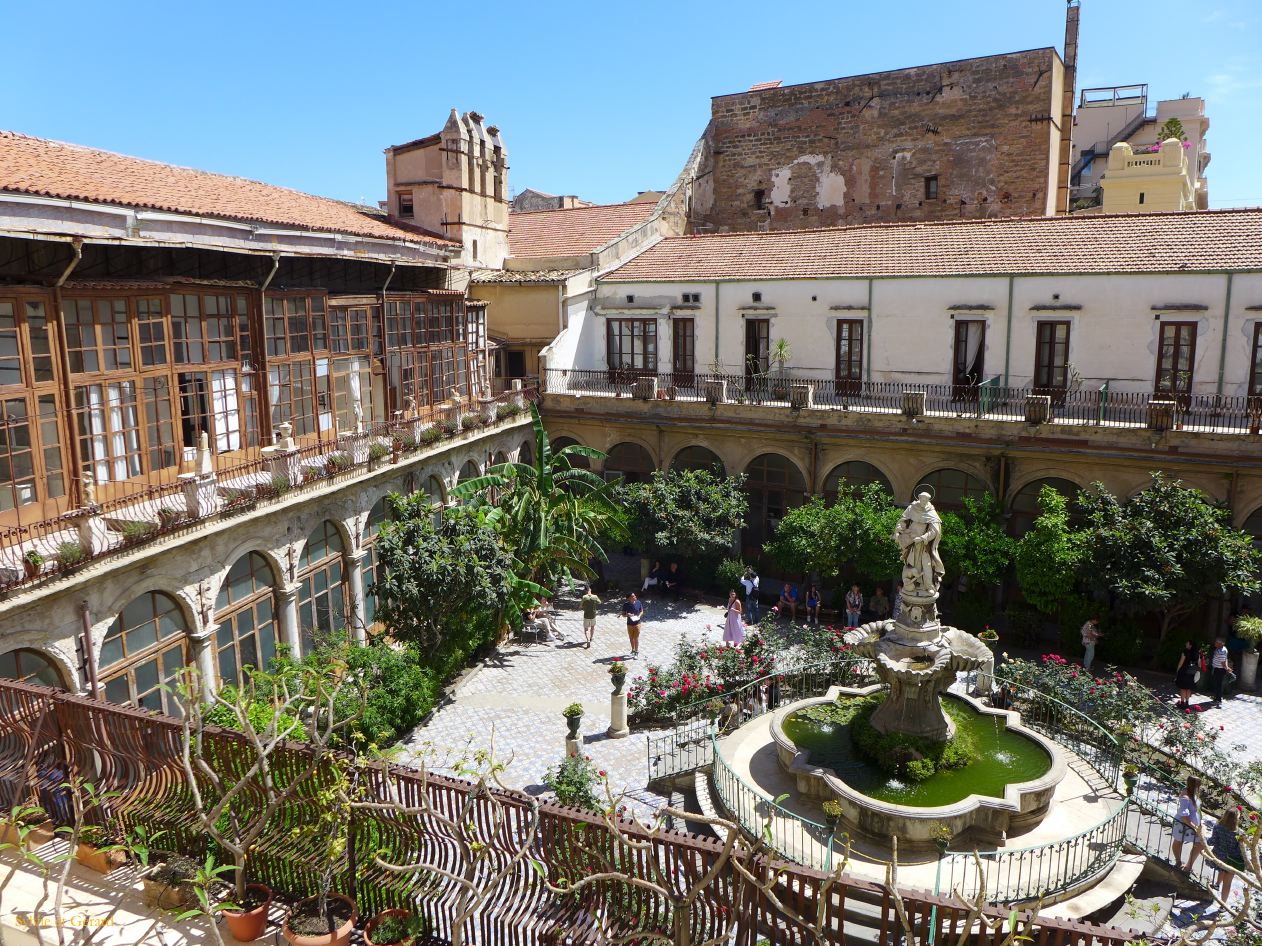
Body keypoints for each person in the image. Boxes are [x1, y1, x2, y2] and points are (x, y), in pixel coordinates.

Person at [1210, 807, 1245, 903]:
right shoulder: (1240, 833)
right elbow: (1240, 851)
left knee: (1221, 869)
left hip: (1220, 857)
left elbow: (1212, 841)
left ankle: (1217, 884)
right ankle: (1223, 905)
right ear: (1236, 819)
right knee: (1227, 884)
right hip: (1232, 861)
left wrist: (1202, 836)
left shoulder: (1218, 827)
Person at [1171, 776, 1205, 872]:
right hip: (1184, 824)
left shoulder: (1192, 793)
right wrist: (1195, 827)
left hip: (1192, 825)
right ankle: (1178, 861)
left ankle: (1188, 866)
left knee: (1199, 844)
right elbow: (1184, 817)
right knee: (1178, 841)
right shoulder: (1185, 797)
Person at [1174, 639, 1199, 709]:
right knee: (1188, 688)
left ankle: (1182, 703)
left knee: (1183, 688)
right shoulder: (1197, 653)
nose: (1186, 644)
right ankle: (1187, 703)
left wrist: (1177, 670)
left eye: (1187, 643)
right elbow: (1199, 664)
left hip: (1184, 672)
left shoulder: (1185, 652)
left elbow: (1181, 662)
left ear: (1190, 645)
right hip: (1191, 672)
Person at [1210, 636, 1233, 707]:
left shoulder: (1221, 651)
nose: (1215, 643)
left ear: (1220, 643)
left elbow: (1223, 662)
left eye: (1216, 642)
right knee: (1218, 684)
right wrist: (1227, 667)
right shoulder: (1223, 649)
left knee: (1217, 685)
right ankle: (1217, 698)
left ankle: (1218, 700)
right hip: (1219, 669)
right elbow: (1225, 659)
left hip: (1218, 670)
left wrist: (1227, 668)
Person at [622, 592, 644, 657]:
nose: (635, 597)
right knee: (631, 638)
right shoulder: (625, 605)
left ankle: (636, 652)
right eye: (633, 596)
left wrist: (639, 616)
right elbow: (623, 614)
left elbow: (641, 611)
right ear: (629, 598)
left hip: (637, 623)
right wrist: (627, 615)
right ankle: (633, 650)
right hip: (629, 624)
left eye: (634, 595)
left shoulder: (638, 602)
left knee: (636, 638)